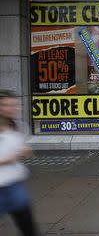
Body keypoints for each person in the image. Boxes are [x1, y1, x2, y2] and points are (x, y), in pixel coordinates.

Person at [0, 90, 38, 236]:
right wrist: (9, 159)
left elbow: (20, 150)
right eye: (6, 105)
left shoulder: (20, 127)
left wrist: (26, 152)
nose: (11, 108)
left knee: (28, 226)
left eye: (14, 105)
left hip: (15, 185)